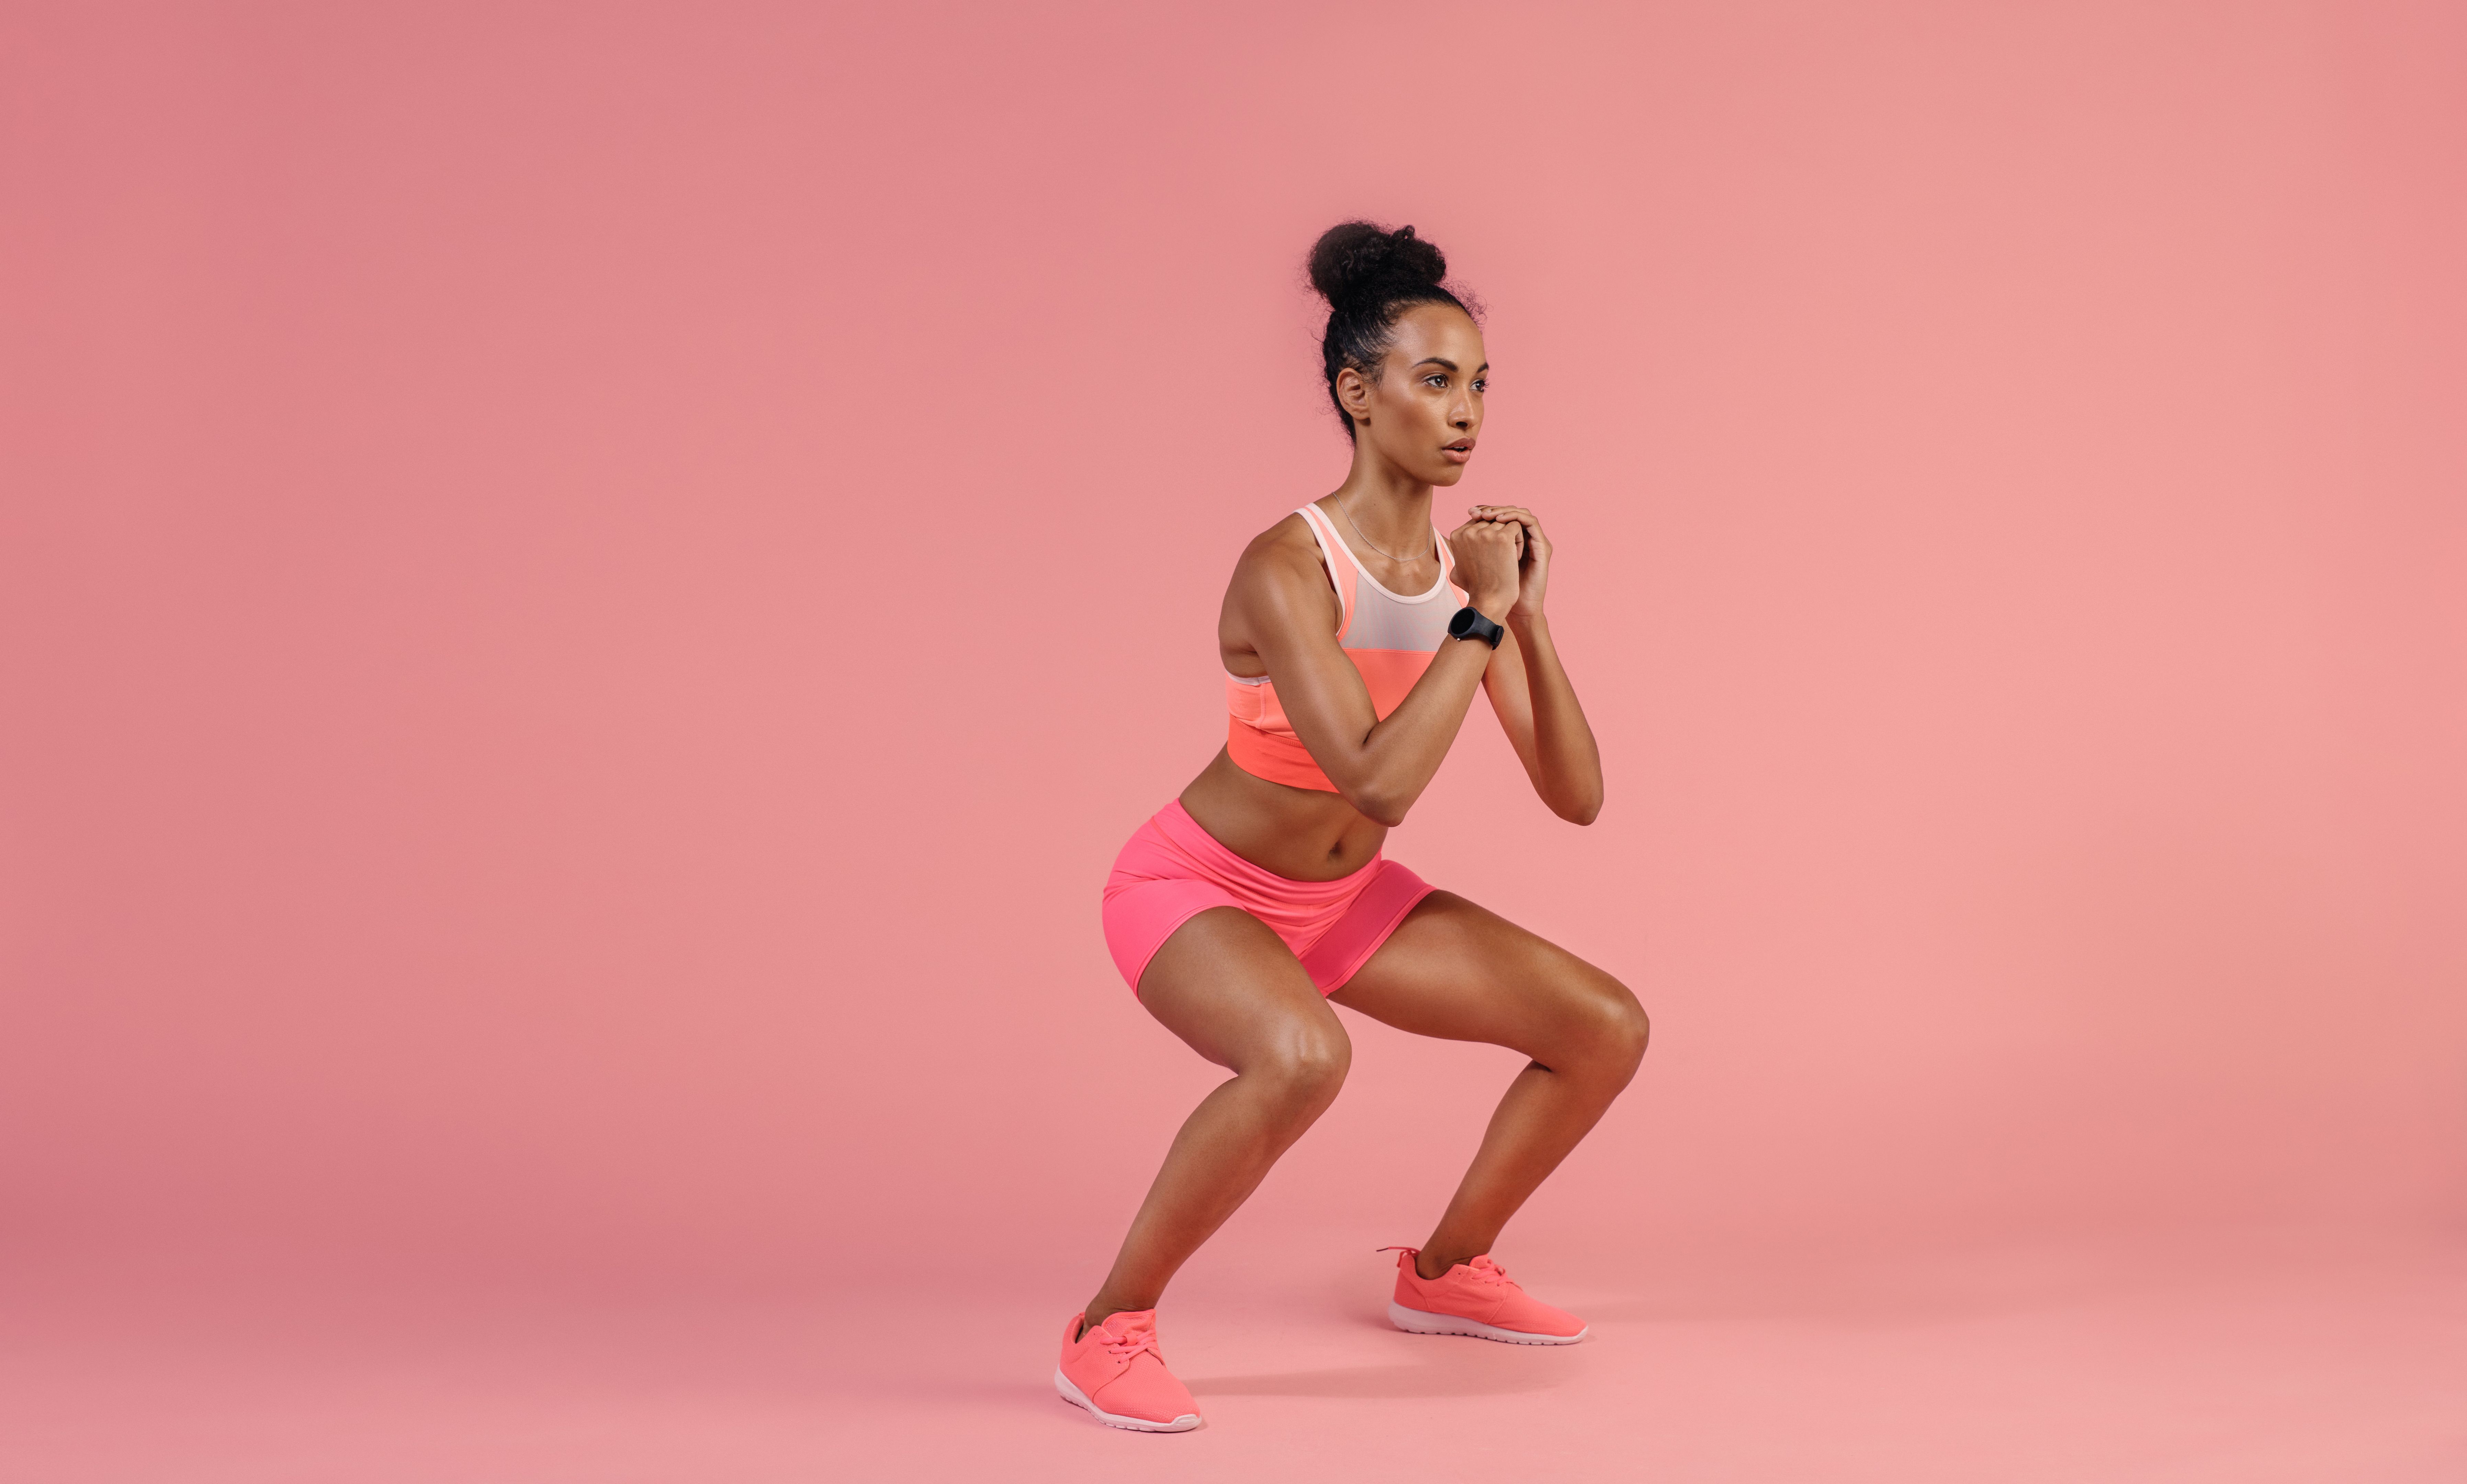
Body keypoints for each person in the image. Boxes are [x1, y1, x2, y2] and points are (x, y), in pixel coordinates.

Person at [1054, 222, 1650, 1432]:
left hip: (1343, 904)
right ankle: (1105, 1327)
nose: (1467, 411)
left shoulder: (1459, 576)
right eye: (1435, 381)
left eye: (1479, 383)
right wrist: (1473, 627)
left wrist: (1525, 617)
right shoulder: (1288, 565)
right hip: (1197, 890)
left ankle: (1444, 1274)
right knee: (1303, 1058)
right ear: (1356, 393)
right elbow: (1375, 782)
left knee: (1604, 1027)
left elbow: (1576, 796)